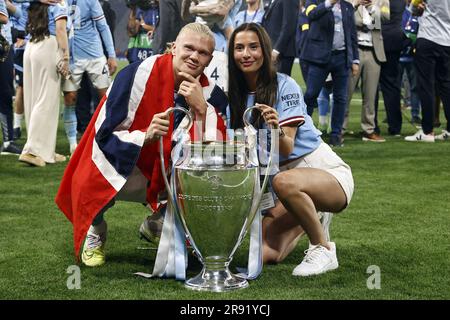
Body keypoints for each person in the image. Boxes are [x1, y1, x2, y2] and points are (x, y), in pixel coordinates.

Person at [55, 22, 229, 267]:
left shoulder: (213, 95)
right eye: (189, 48)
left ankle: (158, 222)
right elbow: (103, 135)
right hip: (128, 162)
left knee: (208, 180)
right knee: (90, 177)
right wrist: (144, 136)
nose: (194, 56)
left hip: (169, 170)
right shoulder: (135, 75)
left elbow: (215, 155)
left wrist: (201, 111)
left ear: (210, 60)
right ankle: (97, 229)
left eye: (202, 53)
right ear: (173, 47)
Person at [228, 23, 354, 276]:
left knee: (286, 181)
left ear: (265, 51)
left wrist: (275, 127)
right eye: (239, 48)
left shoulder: (284, 85)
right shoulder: (236, 95)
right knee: (262, 254)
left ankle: (324, 248)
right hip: (281, 183)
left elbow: (286, 148)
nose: (246, 54)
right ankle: (310, 213)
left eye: (253, 47)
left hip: (321, 171)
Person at [62, 0, 117, 156]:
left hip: (95, 55)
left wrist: (111, 55)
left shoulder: (90, 1)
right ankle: (73, 145)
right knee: (70, 98)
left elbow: (103, 27)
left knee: (106, 98)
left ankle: (107, 138)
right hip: (71, 58)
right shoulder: (59, 2)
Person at [301, 0, 359, 147]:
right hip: (319, 57)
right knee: (310, 95)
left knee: (341, 98)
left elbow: (352, 34)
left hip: (342, 57)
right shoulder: (314, 2)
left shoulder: (347, 7)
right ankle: (303, 131)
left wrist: (355, 60)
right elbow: (311, 15)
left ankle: (336, 135)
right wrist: (328, 3)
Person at [18, 1, 70, 166]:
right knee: (46, 101)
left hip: (31, 45)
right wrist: (66, 57)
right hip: (48, 46)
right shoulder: (59, 3)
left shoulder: (35, 3)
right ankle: (31, 150)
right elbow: (61, 29)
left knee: (34, 99)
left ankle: (45, 150)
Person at [405, 0, 450, 142]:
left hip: (429, 38)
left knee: (426, 86)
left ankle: (427, 131)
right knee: (446, 87)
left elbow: (413, 7)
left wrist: (419, 8)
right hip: (447, 40)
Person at [345, 0, 390, 143]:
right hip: (354, 49)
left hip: (374, 50)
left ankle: (369, 130)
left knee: (370, 95)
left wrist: (373, 7)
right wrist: (357, 4)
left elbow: (386, 16)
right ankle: (339, 128)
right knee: (346, 93)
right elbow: (343, 15)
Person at [0, 0, 23, 155]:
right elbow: (3, 18)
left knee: (5, 94)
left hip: (4, 48)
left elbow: (17, 13)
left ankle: (8, 141)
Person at [261, 0, 299, 75]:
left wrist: (277, 49)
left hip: (282, 53)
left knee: (280, 84)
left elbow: (289, 25)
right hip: (272, 49)